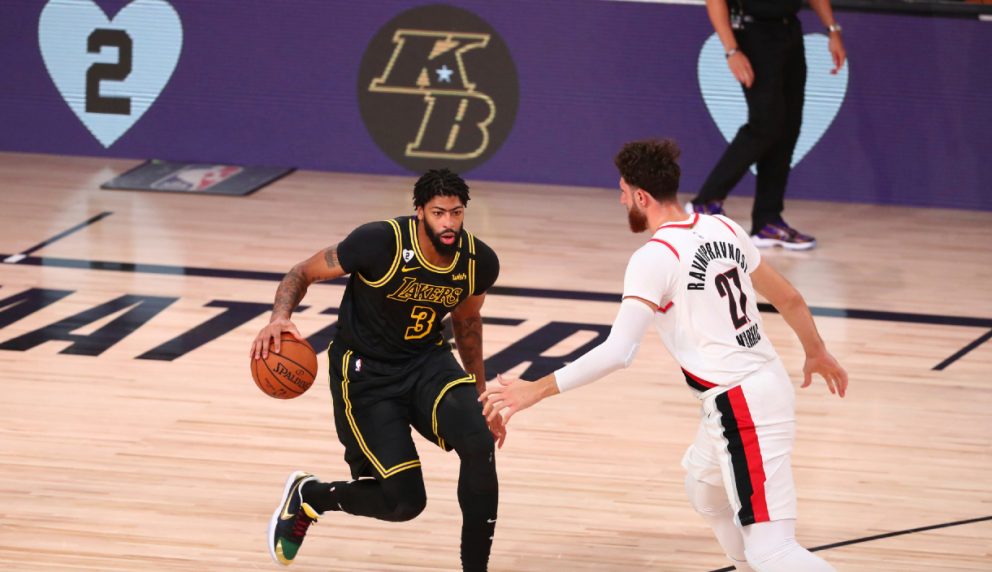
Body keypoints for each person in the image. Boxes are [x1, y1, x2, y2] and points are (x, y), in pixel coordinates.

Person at [481, 139, 848, 571]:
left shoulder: (655, 257)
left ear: (642, 196)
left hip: (741, 404)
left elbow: (619, 351)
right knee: (703, 489)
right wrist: (816, 351)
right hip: (761, 383)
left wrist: (536, 390)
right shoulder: (723, 227)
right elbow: (789, 298)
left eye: (623, 191)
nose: (621, 200)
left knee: (773, 549)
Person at [251, 169, 503, 571]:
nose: (449, 223)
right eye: (438, 213)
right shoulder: (379, 242)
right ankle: (310, 496)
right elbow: (303, 271)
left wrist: (479, 393)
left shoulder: (478, 261)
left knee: (479, 442)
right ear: (419, 211)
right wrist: (280, 317)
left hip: (427, 362)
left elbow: (468, 321)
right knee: (404, 502)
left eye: (456, 213)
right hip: (366, 374)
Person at [686, 0, 847, 250]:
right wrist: (732, 50)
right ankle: (706, 201)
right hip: (753, 33)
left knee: (788, 127)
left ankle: (767, 222)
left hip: (790, 31)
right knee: (766, 124)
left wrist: (832, 29)